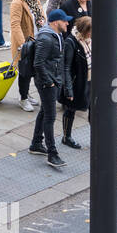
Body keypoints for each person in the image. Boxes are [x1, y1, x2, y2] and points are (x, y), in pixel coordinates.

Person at [30, 9, 73, 170]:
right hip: (46, 83)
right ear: (56, 22)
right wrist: (49, 83)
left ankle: (36, 143)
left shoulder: (58, 35)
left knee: (44, 112)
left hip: (54, 80)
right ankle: (52, 153)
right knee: (50, 116)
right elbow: (38, 63)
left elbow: (57, 60)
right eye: (65, 21)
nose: (67, 23)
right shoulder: (46, 38)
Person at [9, 0, 46, 113]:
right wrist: (23, 45)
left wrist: (42, 19)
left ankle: (27, 94)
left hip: (37, 38)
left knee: (34, 70)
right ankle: (23, 98)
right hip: (25, 43)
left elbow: (41, 12)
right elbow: (15, 25)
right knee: (25, 71)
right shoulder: (17, 3)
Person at [62, 16, 92, 150]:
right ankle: (66, 137)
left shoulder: (89, 40)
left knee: (94, 109)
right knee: (71, 109)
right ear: (83, 30)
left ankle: (96, 135)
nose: (91, 34)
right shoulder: (71, 42)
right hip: (77, 82)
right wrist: (68, 89)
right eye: (90, 32)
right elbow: (66, 67)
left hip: (91, 80)